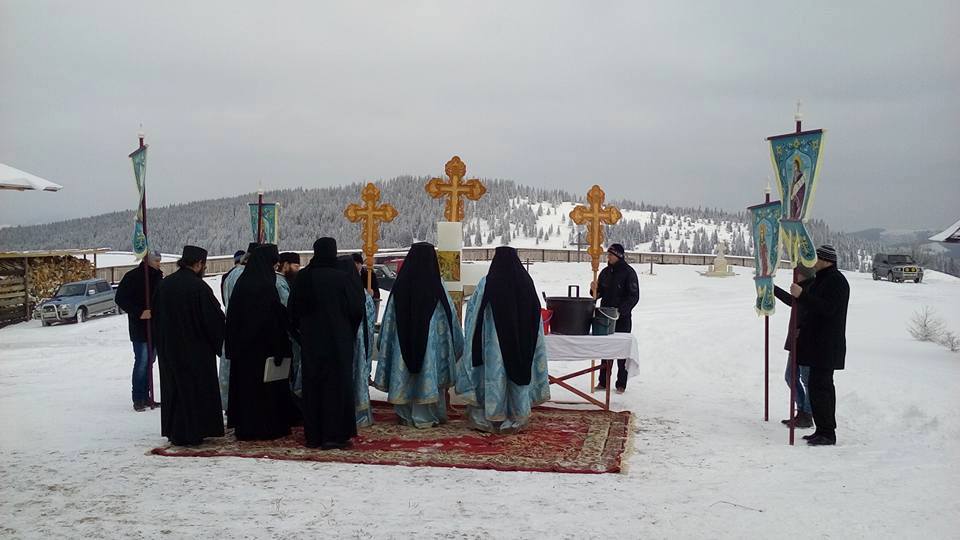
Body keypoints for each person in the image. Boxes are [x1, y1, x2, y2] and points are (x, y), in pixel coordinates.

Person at [455, 246, 550, 433]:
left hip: (493, 346)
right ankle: (517, 416)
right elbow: (535, 316)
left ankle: (492, 415)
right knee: (518, 373)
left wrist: (474, 340)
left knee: (494, 376)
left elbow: (473, 315)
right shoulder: (526, 282)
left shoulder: (487, 283)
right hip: (521, 342)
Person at [374, 242, 464, 428]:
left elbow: (388, 322)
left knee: (404, 371)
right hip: (431, 350)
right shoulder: (438, 287)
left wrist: (385, 342)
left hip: (402, 346)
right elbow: (450, 322)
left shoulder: (399, 287)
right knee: (427, 373)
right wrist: (455, 343)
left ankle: (405, 414)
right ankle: (428, 415)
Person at [288, 238, 365, 449]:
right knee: (337, 387)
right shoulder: (341, 277)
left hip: (312, 342)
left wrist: (301, 335)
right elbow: (357, 309)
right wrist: (347, 331)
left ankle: (314, 435)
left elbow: (292, 311)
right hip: (338, 341)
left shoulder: (303, 277)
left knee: (313, 387)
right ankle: (336, 435)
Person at [152, 245, 225, 446]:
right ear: (199, 264)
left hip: (169, 348)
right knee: (194, 390)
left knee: (174, 389)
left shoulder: (165, 285)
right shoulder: (199, 287)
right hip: (196, 349)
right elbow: (213, 319)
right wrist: (219, 343)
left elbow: (155, 316)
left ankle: (175, 431)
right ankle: (195, 431)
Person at [225, 244, 292, 441]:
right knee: (264, 393)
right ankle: (266, 428)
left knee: (247, 391)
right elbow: (272, 320)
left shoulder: (243, 283)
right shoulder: (264, 286)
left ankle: (246, 426)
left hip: (243, 351)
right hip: (263, 350)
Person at [787, 245, 849, 446]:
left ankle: (828, 432)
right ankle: (821, 429)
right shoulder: (820, 280)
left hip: (827, 345)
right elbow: (802, 302)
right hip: (816, 345)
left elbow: (828, 309)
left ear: (826, 260)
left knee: (823, 389)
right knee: (816, 388)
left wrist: (802, 295)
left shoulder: (837, 281)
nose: (813, 262)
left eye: (816, 258)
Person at [114, 249, 164, 412]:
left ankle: (147, 395)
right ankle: (138, 397)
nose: (159, 264)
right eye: (156, 261)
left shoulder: (158, 277)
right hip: (140, 328)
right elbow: (120, 298)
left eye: (159, 261)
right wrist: (139, 312)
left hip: (155, 327)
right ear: (148, 261)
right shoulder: (132, 277)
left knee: (150, 361)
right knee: (142, 362)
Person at [591, 243, 640, 393]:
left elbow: (634, 296)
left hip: (622, 318)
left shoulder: (629, 273)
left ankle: (621, 383)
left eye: (611, 255)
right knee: (606, 350)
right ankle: (603, 381)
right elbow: (598, 295)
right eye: (608, 255)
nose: (608, 257)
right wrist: (594, 289)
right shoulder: (605, 272)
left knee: (621, 352)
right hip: (605, 317)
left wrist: (621, 311)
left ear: (618, 256)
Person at [336, 255, 377, 428]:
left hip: (338, 343)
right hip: (359, 344)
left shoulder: (334, 291)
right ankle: (359, 415)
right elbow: (370, 319)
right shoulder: (362, 295)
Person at [219, 242, 259, 415]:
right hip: (243, 329)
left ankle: (230, 404)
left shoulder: (231, 274)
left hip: (232, 327)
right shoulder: (245, 275)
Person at [774, 265, 816, 429]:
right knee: (790, 376)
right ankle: (802, 410)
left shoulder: (812, 288)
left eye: (797, 273)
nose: (795, 275)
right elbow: (792, 301)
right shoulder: (800, 288)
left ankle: (807, 414)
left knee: (806, 379)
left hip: (806, 341)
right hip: (795, 340)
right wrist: (773, 289)